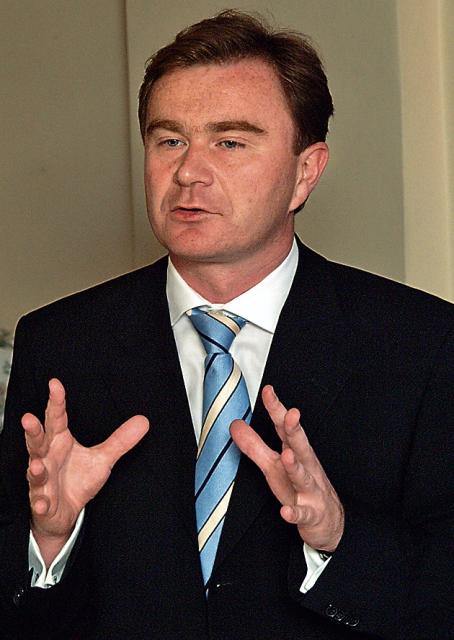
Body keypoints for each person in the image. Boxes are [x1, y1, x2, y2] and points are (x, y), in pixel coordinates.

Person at [1, 10, 453, 640]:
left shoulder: (422, 343)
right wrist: (49, 541)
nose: (189, 171)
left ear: (305, 171)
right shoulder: (61, 342)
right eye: (169, 141)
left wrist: (337, 538)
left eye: (230, 142)